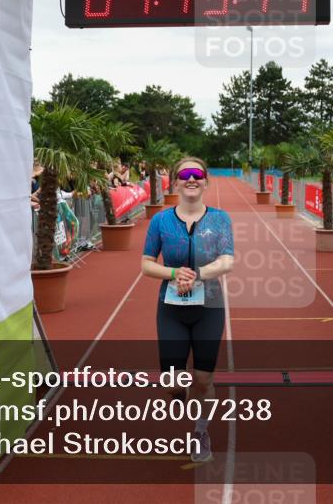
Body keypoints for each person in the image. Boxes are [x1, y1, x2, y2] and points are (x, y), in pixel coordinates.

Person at [140, 157, 234, 463]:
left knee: (203, 380)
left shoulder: (220, 219)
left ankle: (200, 431)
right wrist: (172, 274)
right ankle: (185, 396)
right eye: (185, 174)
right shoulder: (161, 221)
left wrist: (196, 275)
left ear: (206, 182)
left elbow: (227, 260)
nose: (191, 179)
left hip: (210, 306)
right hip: (171, 308)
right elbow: (146, 263)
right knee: (172, 383)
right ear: (175, 182)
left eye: (198, 174)